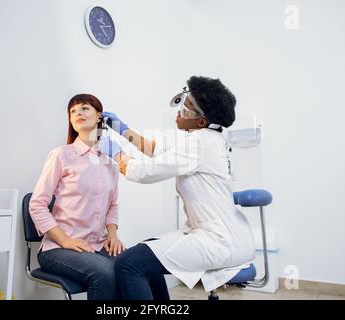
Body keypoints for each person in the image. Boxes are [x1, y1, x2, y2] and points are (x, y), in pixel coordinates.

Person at [102, 76, 256, 300]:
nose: (181, 109)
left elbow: (144, 172)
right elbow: (154, 150)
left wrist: (115, 153)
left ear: (201, 122)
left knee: (129, 264)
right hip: (229, 235)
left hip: (219, 241)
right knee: (147, 256)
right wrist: (120, 128)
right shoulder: (208, 138)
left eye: (189, 106)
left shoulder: (198, 143)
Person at [29, 94, 125, 300]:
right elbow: (36, 204)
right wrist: (65, 240)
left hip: (97, 245)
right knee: (105, 273)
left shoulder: (111, 159)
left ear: (99, 116)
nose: (78, 113)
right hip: (57, 248)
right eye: (73, 111)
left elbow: (113, 205)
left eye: (84, 108)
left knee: (138, 266)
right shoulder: (61, 155)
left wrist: (112, 235)